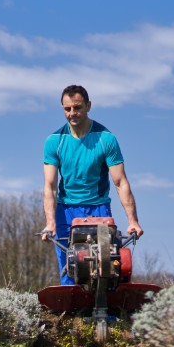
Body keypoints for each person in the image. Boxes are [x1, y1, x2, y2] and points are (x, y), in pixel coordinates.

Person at [41, 84, 143, 285]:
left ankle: (107, 305)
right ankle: (71, 305)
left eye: (77, 107)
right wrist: (50, 222)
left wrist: (133, 221)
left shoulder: (105, 139)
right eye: (67, 109)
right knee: (70, 268)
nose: (72, 113)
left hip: (98, 208)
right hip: (66, 210)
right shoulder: (54, 141)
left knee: (106, 266)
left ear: (88, 106)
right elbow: (50, 186)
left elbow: (120, 182)